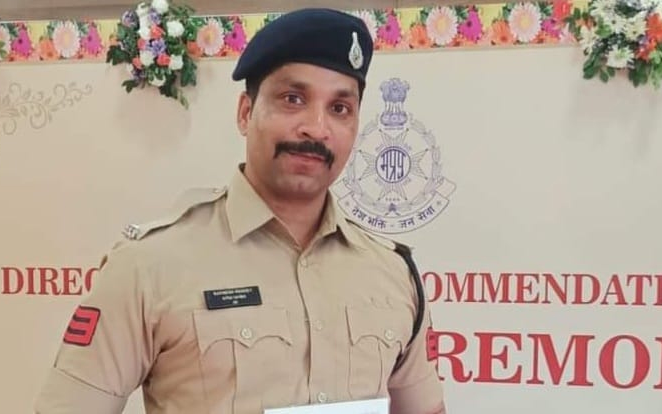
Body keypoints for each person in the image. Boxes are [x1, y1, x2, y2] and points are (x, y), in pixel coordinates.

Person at [34, 7, 446, 414]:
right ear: (245, 113)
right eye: (293, 99)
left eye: (340, 108)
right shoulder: (149, 266)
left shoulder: (393, 273)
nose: (317, 128)